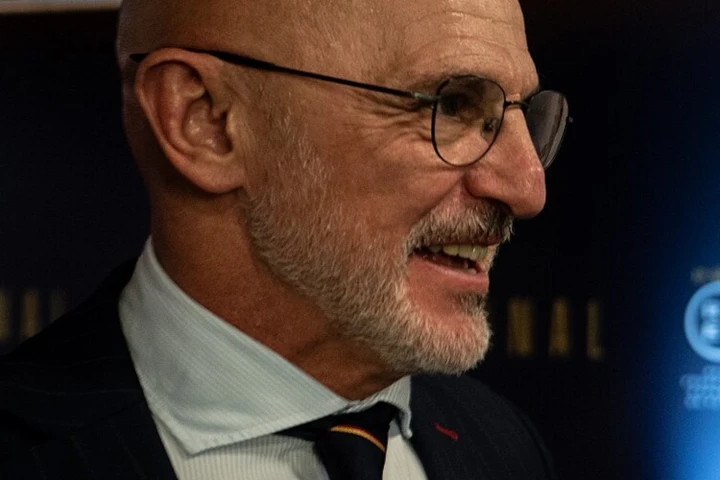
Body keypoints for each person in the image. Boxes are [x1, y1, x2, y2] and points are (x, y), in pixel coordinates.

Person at [0, 0, 569, 478]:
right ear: (205, 120)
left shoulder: (502, 446)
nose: (527, 188)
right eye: (452, 105)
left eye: (521, 115)